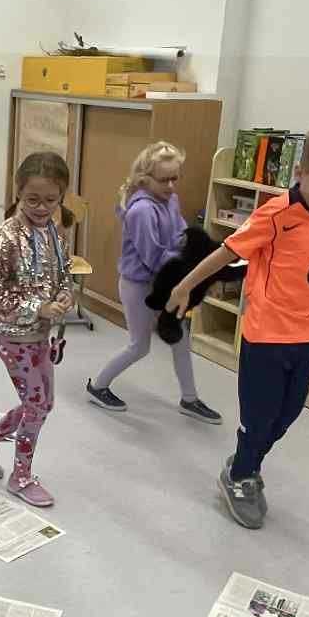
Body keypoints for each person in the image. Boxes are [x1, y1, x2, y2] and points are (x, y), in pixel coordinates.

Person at [165, 125, 309, 529]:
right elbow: (225, 254)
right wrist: (184, 285)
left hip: (307, 333)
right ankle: (240, 475)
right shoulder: (275, 214)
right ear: (301, 172)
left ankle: (246, 462)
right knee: (260, 417)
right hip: (266, 334)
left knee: (288, 414)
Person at [0, 151, 76, 508]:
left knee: (43, 404)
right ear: (18, 193)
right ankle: (21, 477)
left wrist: (64, 295)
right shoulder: (5, 237)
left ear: (61, 197)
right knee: (36, 405)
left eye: (51, 200)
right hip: (13, 336)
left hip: (41, 334)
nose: (42, 208)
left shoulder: (55, 232)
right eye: (32, 200)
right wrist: (37, 307)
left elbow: (64, 275)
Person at [83, 139, 220, 423]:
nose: (171, 186)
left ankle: (190, 399)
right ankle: (98, 386)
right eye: (163, 180)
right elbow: (153, 257)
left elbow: (180, 234)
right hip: (139, 285)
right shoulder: (142, 211)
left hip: (165, 280)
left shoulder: (170, 200)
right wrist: (186, 267)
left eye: (175, 179)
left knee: (180, 339)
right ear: (145, 179)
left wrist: (195, 251)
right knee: (139, 346)